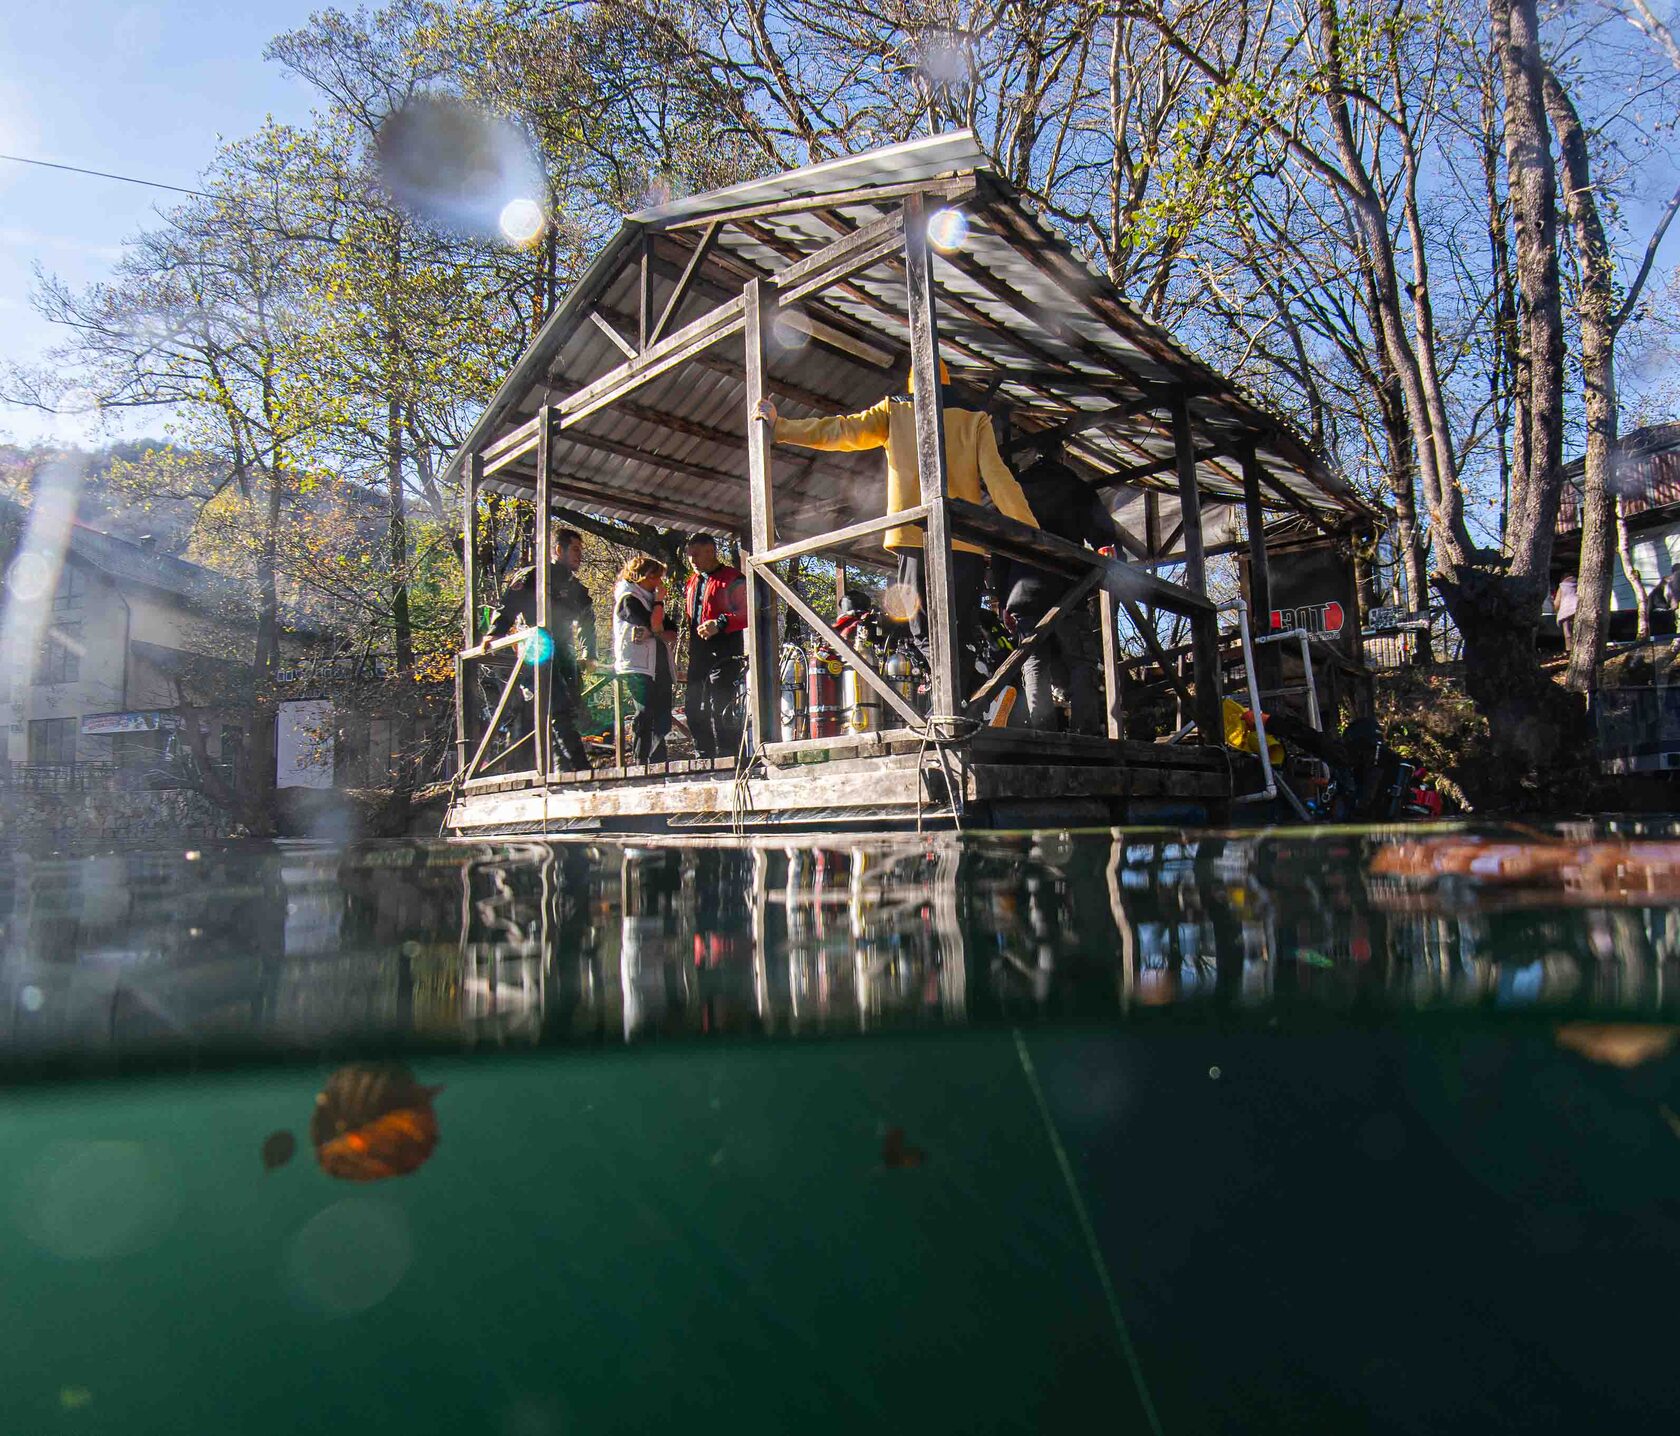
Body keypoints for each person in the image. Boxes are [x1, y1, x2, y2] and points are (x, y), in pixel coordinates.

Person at [755, 358, 1038, 701]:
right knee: (960, 633)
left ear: (911, 384)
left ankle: (961, 702)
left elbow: (840, 431)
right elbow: (999, 478)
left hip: (915, 539)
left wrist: (781, 427)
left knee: (923, 633)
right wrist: (1030, 532)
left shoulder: (896, 410)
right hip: (966, 545)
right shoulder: (974, 419)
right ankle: (971, 702)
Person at [1002, 452, 1124, 732]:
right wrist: (1113, 565)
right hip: (1068, 588)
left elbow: (1000, 549)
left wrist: (1003, 598)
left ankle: (1042, 733)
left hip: (1023, 591)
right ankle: (1085, 732)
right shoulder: (1075, 487)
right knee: (1080, 661)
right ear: (1062, 456)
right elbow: (1104, 537)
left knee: (1033, 663)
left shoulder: (1013, 489)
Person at [484, 528, 596, 770]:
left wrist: (589, 653)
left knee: (566, 710)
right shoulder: (533, 576)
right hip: (536, 650)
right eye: (575, 549)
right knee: (557, 707)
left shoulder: (575, 587)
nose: (579, 555)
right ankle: (580, 767)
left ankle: (563, 770)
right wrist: (495, 632)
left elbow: (587, 620)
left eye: (581, 550)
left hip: (564, 653)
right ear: (558, 549)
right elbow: (507, 606)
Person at [681, 533, 748, 758]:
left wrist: (720, 623)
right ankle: (703, 753)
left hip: (725, 650)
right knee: (693, 705)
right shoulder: (692, 581)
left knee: (721, 704)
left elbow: (749, 611)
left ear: (711, 552)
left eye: (696, 555)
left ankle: (728, 754)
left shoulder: (733, 578)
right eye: (689, 555)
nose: (692, 560)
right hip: (698, 652)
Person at [613, 555, 679, 764]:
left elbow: (671, 633)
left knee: (662, 716)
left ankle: (658, 760)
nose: (659, 583)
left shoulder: (651, 602)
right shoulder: (628, 599)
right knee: (645, 712)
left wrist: (653, 632)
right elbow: (656, 626)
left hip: (660, 665)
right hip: (638, 666)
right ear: (642, 576)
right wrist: (659, 603)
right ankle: (641, 761)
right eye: (655, 577)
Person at [1553, 573, 1579, 649]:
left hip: (1566, 611)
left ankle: (1569, 649)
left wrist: (1556, 610)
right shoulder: (1580, 585)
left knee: (1568, 633)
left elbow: (1557, 603)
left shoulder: (1562, 587)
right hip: (1578, 609)